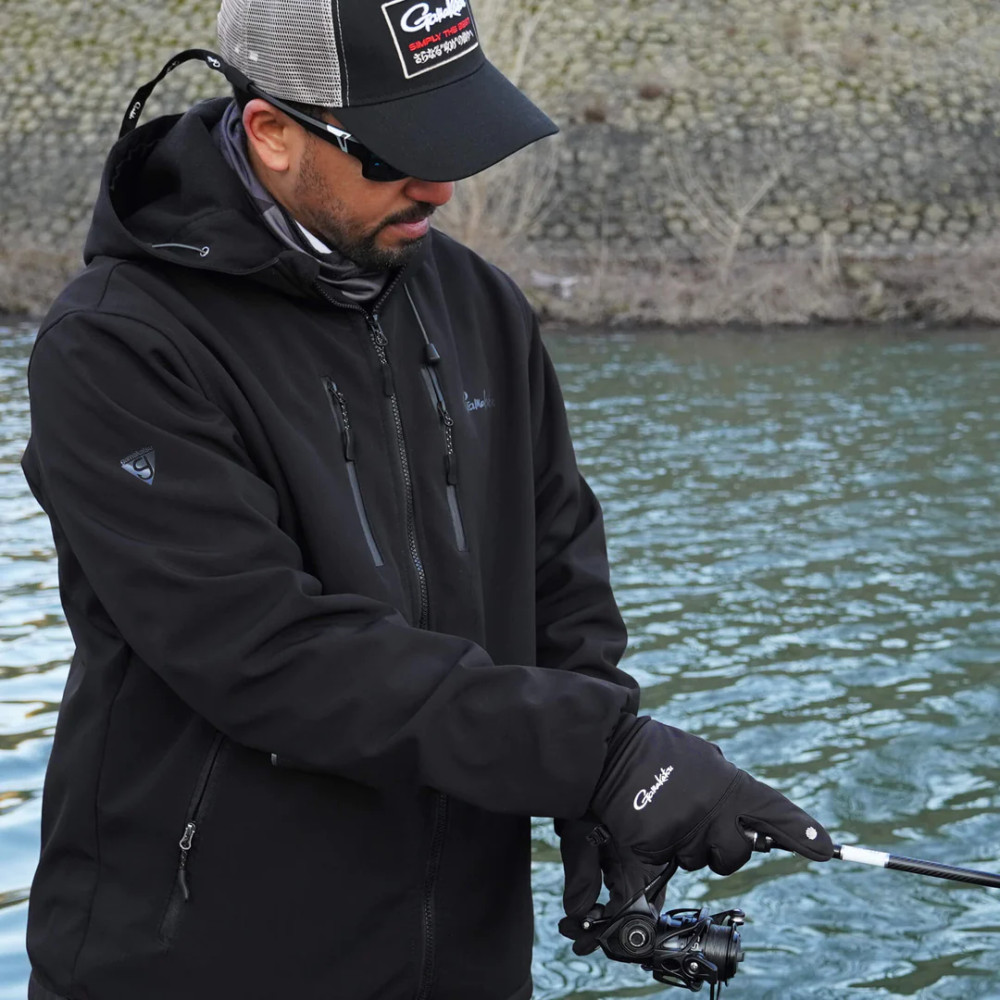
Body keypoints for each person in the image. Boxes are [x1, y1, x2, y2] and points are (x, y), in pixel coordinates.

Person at [20, 1, 833, 998]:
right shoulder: (115, 345)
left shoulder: (481, 304)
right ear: (271, 131)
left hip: (468, 962)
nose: (440, 186)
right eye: (395, 153)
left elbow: (559, 573)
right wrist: (596, 753)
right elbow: (266, 651)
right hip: (196, 963)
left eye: (455, 140)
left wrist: (601, 802)